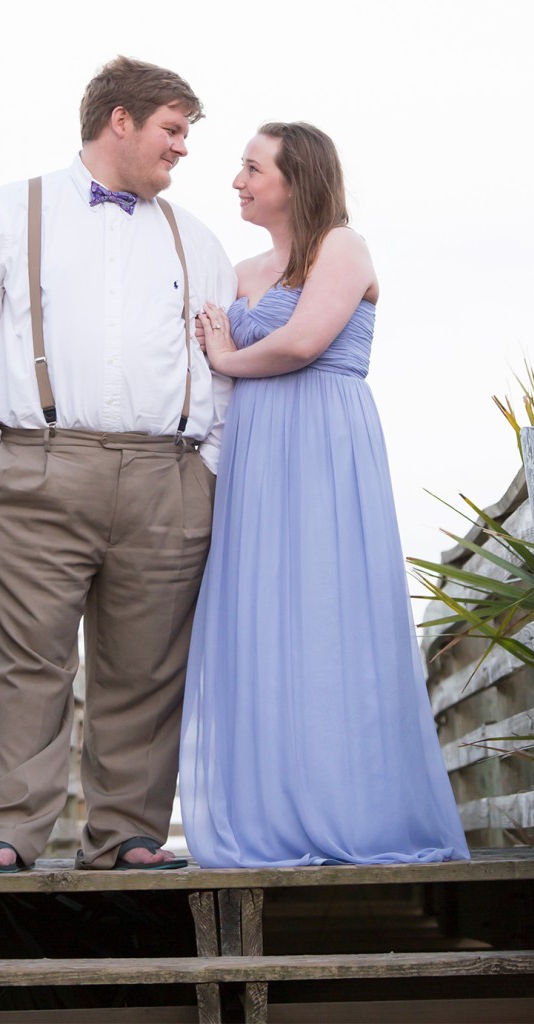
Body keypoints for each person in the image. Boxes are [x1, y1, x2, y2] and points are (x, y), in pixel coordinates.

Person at [0, 56, 236, 873]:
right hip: (33, 467)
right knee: (29, 659)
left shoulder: (197, 240)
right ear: (120, 121)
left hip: (166, 477)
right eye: (172, 131)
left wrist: (205, 465)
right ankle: (8, 831)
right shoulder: (7, 212)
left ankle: (127, 835)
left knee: (145, 669)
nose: (181, 151)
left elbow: (221, 365)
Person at [179, 122, 470, 867]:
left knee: (330, 616)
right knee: (263, 619)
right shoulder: (240, 271)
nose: (237, 181)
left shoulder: (342, 247)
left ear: (295, 178)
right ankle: (272, 812)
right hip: (256, 455)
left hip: (324, 446)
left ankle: (355, 810)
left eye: (251, 168)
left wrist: (223, 352)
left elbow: (304, 342)